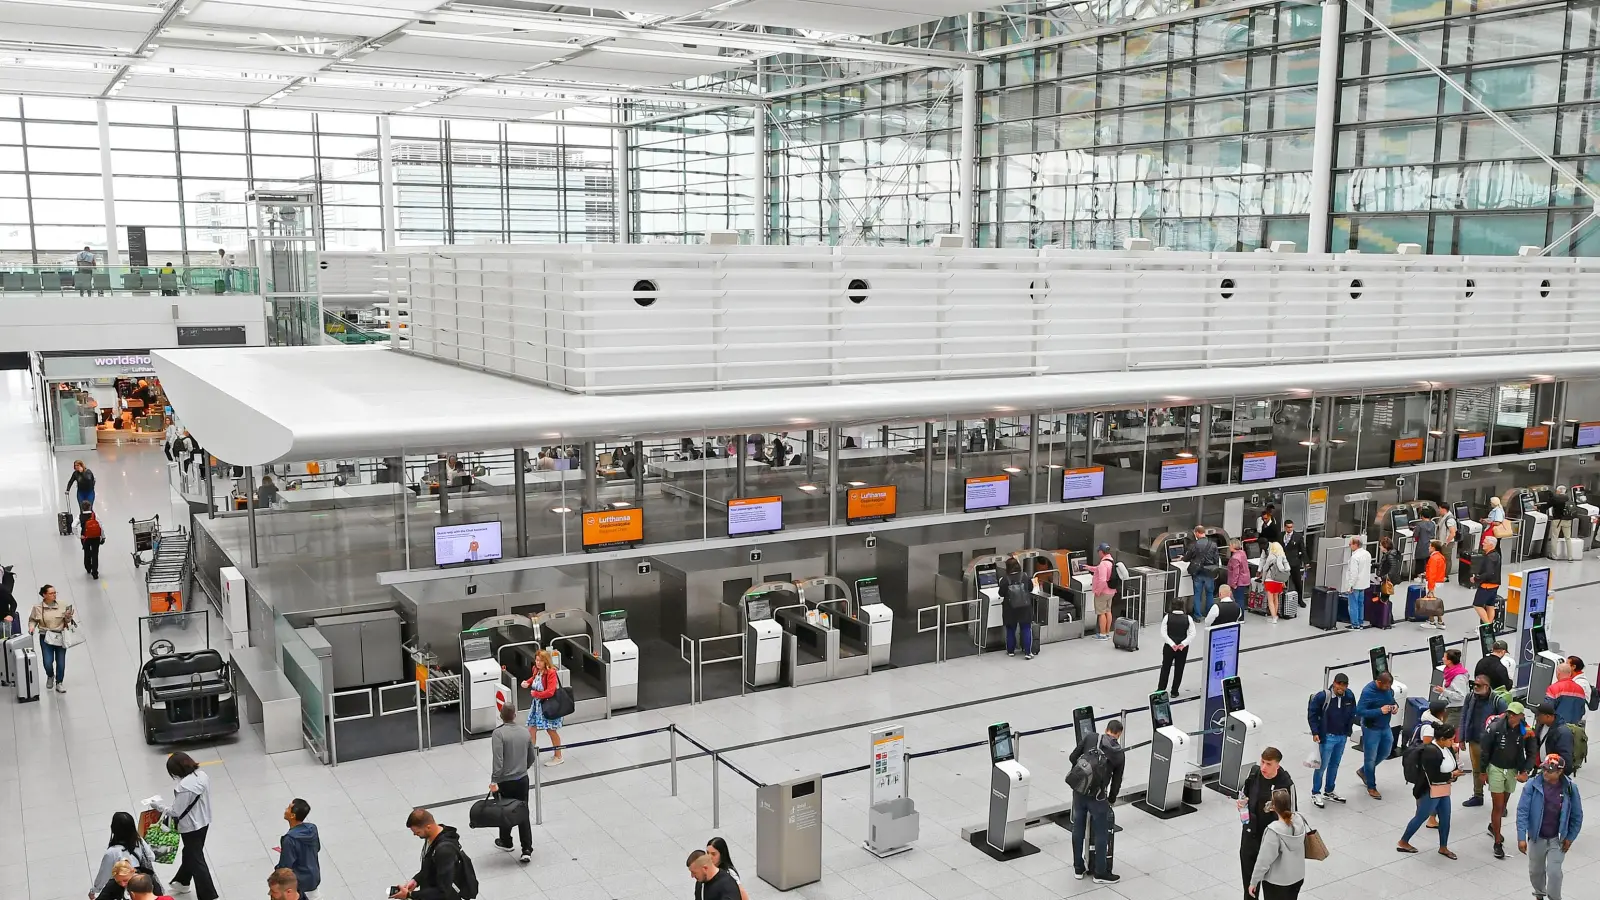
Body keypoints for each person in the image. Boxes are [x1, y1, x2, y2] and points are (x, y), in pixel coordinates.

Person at [149, 752, 215, 900]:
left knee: (197, 859)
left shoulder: (184, 786)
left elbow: (175, 811)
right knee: (192, 852)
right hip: (204, 821)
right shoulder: (202, 775)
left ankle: (208, 895)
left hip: (190, 826)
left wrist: (159, 806)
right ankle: (182, 881)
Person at [1517, 757, 1584, 900]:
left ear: (1560, 772)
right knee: (1535, 871)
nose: (1545, 772)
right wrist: (1521, 837)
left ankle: (1554, 898)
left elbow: (1577, 816)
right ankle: (1539, 894)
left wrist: (1570, 837)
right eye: (1544, 769)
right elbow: (1522, 811)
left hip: (1557, 839)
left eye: (1549, 770)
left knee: (1554, 872)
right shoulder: (1532, 785)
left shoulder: (1570, 788)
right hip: (1537, 837)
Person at [1068, 720, 1125, 885]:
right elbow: (1116, 781)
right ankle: (1100, 873)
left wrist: (1080, 774)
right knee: (1101, 833)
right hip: (1098, 797)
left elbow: (1072, 757)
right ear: (1118, 734)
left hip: (1079, 792)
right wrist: (1112, 799)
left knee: (1077, 827)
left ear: (1106, 729)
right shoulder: (1119, 754)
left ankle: (1078, 868)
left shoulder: (1091, 737)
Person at [1397, 722, 1461, 859]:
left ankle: (1443, 847)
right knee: (1421, 816)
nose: (1453, 742)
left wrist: (1452, 776)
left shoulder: (1447, 749)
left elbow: (1449, 767)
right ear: (1442, 739)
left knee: (1445, 818)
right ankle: (1403, 841)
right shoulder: (1431, 752)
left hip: (1443, 788)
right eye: (1450, 739)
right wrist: (1452, 775)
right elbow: (1433, 775)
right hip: (1429, 790)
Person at [1481, 700, 1535, 859]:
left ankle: (1493, 827)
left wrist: (1525, 770)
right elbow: (1485, 750)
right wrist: (1482, 771)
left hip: (1512, 770)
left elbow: (1532, 752)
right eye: (1509, 713)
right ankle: (1497, 842)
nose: (1510, 717)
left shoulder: (1526, 730)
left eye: (1514, 715)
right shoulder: (1496, 727)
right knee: (1498, 806)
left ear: (1521, 716)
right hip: (1496, 767)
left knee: (1503, 805)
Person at [1238, 747, 1294, 900]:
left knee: (1273, 891)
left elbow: (1293, 818)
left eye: (1268, 764)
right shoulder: (1255, 774)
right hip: (1251, 838)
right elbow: (1245, 795)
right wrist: (1242, 803)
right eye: (1262, 762)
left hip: (1272, 843)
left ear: (1278, 765)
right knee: (1249, 887)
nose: (1264, 767)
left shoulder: (1285, 784)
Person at [488, 703, 534, 863]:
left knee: (504, 811)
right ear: (515, 715)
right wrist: (522, 768)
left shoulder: (498, 734)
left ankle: (506, 841)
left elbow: (498, 760)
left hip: (504, 781)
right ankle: (526, 848)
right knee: (523, 811)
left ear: (501, 716)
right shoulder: (525, 732)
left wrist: (494, 780)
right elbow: (531, 758)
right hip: (522, 779)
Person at [391, 809, 466, 900]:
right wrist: (416, 880)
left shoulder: (444, 852)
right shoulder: (432, 836)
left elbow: (444, 891)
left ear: (428, 827)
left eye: (418, 832)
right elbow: (430, 867)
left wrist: (410, 895)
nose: (415, 834)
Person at [1248, 789, 1308, 900]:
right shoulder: (1300, 820)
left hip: (1277, 883)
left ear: (1274, 807)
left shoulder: (1274, 831)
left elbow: (1264, 860)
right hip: (1297, 877)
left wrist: (1253, 882)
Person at [1307, 673, 1356, 808]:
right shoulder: (1323, 696)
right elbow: (1312, 713)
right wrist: (1315, 732)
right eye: (1339, 684)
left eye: (1344, 685)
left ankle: (1329, 790)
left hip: (1341, 737)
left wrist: (1348, 731)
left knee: (1335, 764)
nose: (1342, 688)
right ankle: (1315, 792)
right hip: (1327, 737)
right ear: (1334, 683)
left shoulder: (1349, 696)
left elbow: (1353, 713)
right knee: (1321, 766)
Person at [1460, 674, 1508, 809]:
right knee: (1477, 769)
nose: (1475, 687)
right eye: (1473, 684)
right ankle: (1478, 796)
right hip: (1474, 740)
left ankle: (1500, 804)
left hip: (1492, 743)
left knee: (1495, 772)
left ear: (1487, 686)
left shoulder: (1498, 701)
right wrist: (1462, 738)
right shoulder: (1470, 697)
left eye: (1478, 685)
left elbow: (1505, 721)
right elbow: (1464, 716)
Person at [88, 812, 159, 900]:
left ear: (113, 829)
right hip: (141, 880)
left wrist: (94, 890)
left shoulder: (112, 852)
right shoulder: (139, 841)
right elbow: (152, 857)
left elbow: (104, 875)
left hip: (121, 888)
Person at [1358, 671, 1400, 799]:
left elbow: (1392, 700)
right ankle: (1371, 786)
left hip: (1385, 726)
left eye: (1390, 686)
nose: (1388, 688)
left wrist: (1395, 706)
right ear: (1379, 682)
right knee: (1370, 758)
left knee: (1386, 751)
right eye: (1386, 686)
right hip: (1371, 728)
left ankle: (1363, 771)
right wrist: (1379, 711)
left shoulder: (1388, 689)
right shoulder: (1368, 692)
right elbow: (1360, 711)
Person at [522, 648, 565, 766]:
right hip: (537, 705)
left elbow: (550, 692)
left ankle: (558, 756)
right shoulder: (536, 670)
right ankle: (530, 755)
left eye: (540, 661)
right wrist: (528, 682)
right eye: (536, 660)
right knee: (531, 728)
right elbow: (534, 678)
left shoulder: (551, 673)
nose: (538, 663)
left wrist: (537, 694)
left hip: (547, 705)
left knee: (551, 730)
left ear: (546, 661)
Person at [28, 584, 74, 692]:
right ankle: (50, 675)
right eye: (51, 593)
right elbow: (33, 619)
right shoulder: (38, 608)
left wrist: (68, 618)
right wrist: (31, 628)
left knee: (61, 661)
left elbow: (68, 621)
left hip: (60, 636)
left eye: (55, 593)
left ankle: (59, 682)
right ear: (44, 595)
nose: (54, 595)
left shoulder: (63, 605)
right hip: (46, 637)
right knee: (47, 661)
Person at [276, 799, 322, 899]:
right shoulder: (312, 829)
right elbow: (317, 848)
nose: (285, 809)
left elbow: (285, 866)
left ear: (292, 816)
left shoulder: (289, 839)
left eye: (288, 808)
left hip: (300, 884)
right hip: (314, 879)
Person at [997, 558, 1035, 655]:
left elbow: (1001, 593)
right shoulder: (1025, 576)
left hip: (1010, 608)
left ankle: (1011, 651)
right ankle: (1028, 652)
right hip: (1024, 606)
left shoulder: (1005, 579)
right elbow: (1030, 588)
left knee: (1010, 629)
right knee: (1026, 628)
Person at [1159, 598, 1195, 697]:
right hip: (1182, 648)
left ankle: (1161, 689)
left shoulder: (1167, 617)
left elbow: (1163, 633)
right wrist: (1183, 643)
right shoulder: (1188, 618)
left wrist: (1172, 644)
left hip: (1169, 647)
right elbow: (1192, 633)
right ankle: (1174, 691)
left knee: (1165, 668)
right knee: (1179, 668)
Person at [1182, 526, 1219, 620]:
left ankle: (1197, 616)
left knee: (1197, 594)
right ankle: (1210, 615)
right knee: (1209, 594)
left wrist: (1182, 558)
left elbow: (1187, 558)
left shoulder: (1195, 544)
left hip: (1198, 572)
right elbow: (1216, 559)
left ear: (1197, 533)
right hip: (1209, 572)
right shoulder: (1213, 544)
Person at [1535, 702, 1577, 772]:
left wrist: (1558, 775)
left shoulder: (1563, 732)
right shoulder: (1540, 725)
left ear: (1548, 716)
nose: (1536, 718)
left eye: (1538, 715)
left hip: (1553, 772)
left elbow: (1565, 758)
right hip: (1542, 768)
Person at [1472, 534, 1503, 626]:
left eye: (1485, 542)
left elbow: (1489, 573)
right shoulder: (1496, 555)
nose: (1482, 543)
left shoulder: (1489, 557)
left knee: (1477, 605)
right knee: (1490, 605)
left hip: (1487, 586)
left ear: (1491, 545)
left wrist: (1476, 578)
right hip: (1495, 585)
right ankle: (1489, 623)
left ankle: (1487, 625)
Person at [1545, 661, 1588, 726]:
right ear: (1570, 673)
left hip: (1557, 728)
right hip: (1573, 728)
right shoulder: (1580, 690)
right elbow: (1582, 711)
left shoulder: (1553, 688)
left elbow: (1547, 709)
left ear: (1558, 673)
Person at [1434, 647, 1468, 730]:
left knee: (1446, 731)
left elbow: (1461, 696)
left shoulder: (1459, 677)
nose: (1442, 658)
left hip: (1456, 709)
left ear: (1449, 661)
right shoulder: (1448, 671)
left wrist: (1444, 691)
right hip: (1448, 706)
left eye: (1444, 657)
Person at [1342, 536, 1372, 630]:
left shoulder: (1355, 557)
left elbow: (1353, 573)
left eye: (1350, 544)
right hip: (1363, 583)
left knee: (1353, 605)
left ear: (1356, 545)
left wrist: (1350, 585)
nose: (1349, 546)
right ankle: (1360, 622)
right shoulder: (1367, 554)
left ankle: (1355, 624)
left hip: (1355, 584)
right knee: (1360, 603)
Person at [1090, 543, 1117, 643]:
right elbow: (1099, 570)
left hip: (1103, 592)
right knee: (1108, 611)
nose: (1098, 553)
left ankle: (1102, 634)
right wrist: (1089, 568)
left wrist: (1097, 591)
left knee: (1101, 613)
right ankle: (1107, 633)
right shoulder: (1111, 561)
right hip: (1111, 591)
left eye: (1098, 551)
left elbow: (1102, 580)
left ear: (1101, 552)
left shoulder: (1103, 564)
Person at [1261, 542, 1290, 622]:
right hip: (1279, 580)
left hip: (1270, 580)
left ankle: (1274, 618)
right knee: (1276, 599)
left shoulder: (1271, 557)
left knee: (1270, 600)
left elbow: (1265, 569)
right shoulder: (1283, 556)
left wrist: (1263, 580)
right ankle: (1275, 615)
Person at [1422, 540, 1447, 629]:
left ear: (1433, 548)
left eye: (1430, 546)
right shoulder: (1441, 557)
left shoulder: (1433, 558)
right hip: (1439, 582)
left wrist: (1430, 589)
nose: (1428, 548)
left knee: (1431, 603)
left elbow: (1432, 574)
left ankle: (1432, 622)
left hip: (1433, 583)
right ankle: (1440, 622)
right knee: (1436, 603)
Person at [1226, 539, 1254, 619]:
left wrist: (1233, 584)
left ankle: (1240, 617)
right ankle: (1241, 616)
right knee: (1241, 598)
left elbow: (1236, 573)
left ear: (1233, 546)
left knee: (1238, 600)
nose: (1229, 547)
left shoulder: (1235, 558)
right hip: (1245, 579)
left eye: (1230, 545)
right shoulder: (1242, 553)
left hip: (1238, 582)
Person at [1281, 520, 1307, 601]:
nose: (1290, 529)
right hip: (1283, 562)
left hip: (1294, 562)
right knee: (1282, 581)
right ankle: (1282, 599)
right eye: (1288, 527)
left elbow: (1303, 549)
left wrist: (1306, 561)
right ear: (1285, 527)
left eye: (1291, 527)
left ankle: (1300, 599)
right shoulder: (1280, 535)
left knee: (1297, 581)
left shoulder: (1298, 536)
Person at [80, 503, 105, 580]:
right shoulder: (95, 515)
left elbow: (73, 526)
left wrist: (79, 535)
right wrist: (103, 536)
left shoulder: (80, 516)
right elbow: (101, 526)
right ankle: (95, 572)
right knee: (95, 554)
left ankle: (88, 567)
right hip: (95, 537)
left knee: (86, 552)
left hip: (85, 537)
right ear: (90, 507)